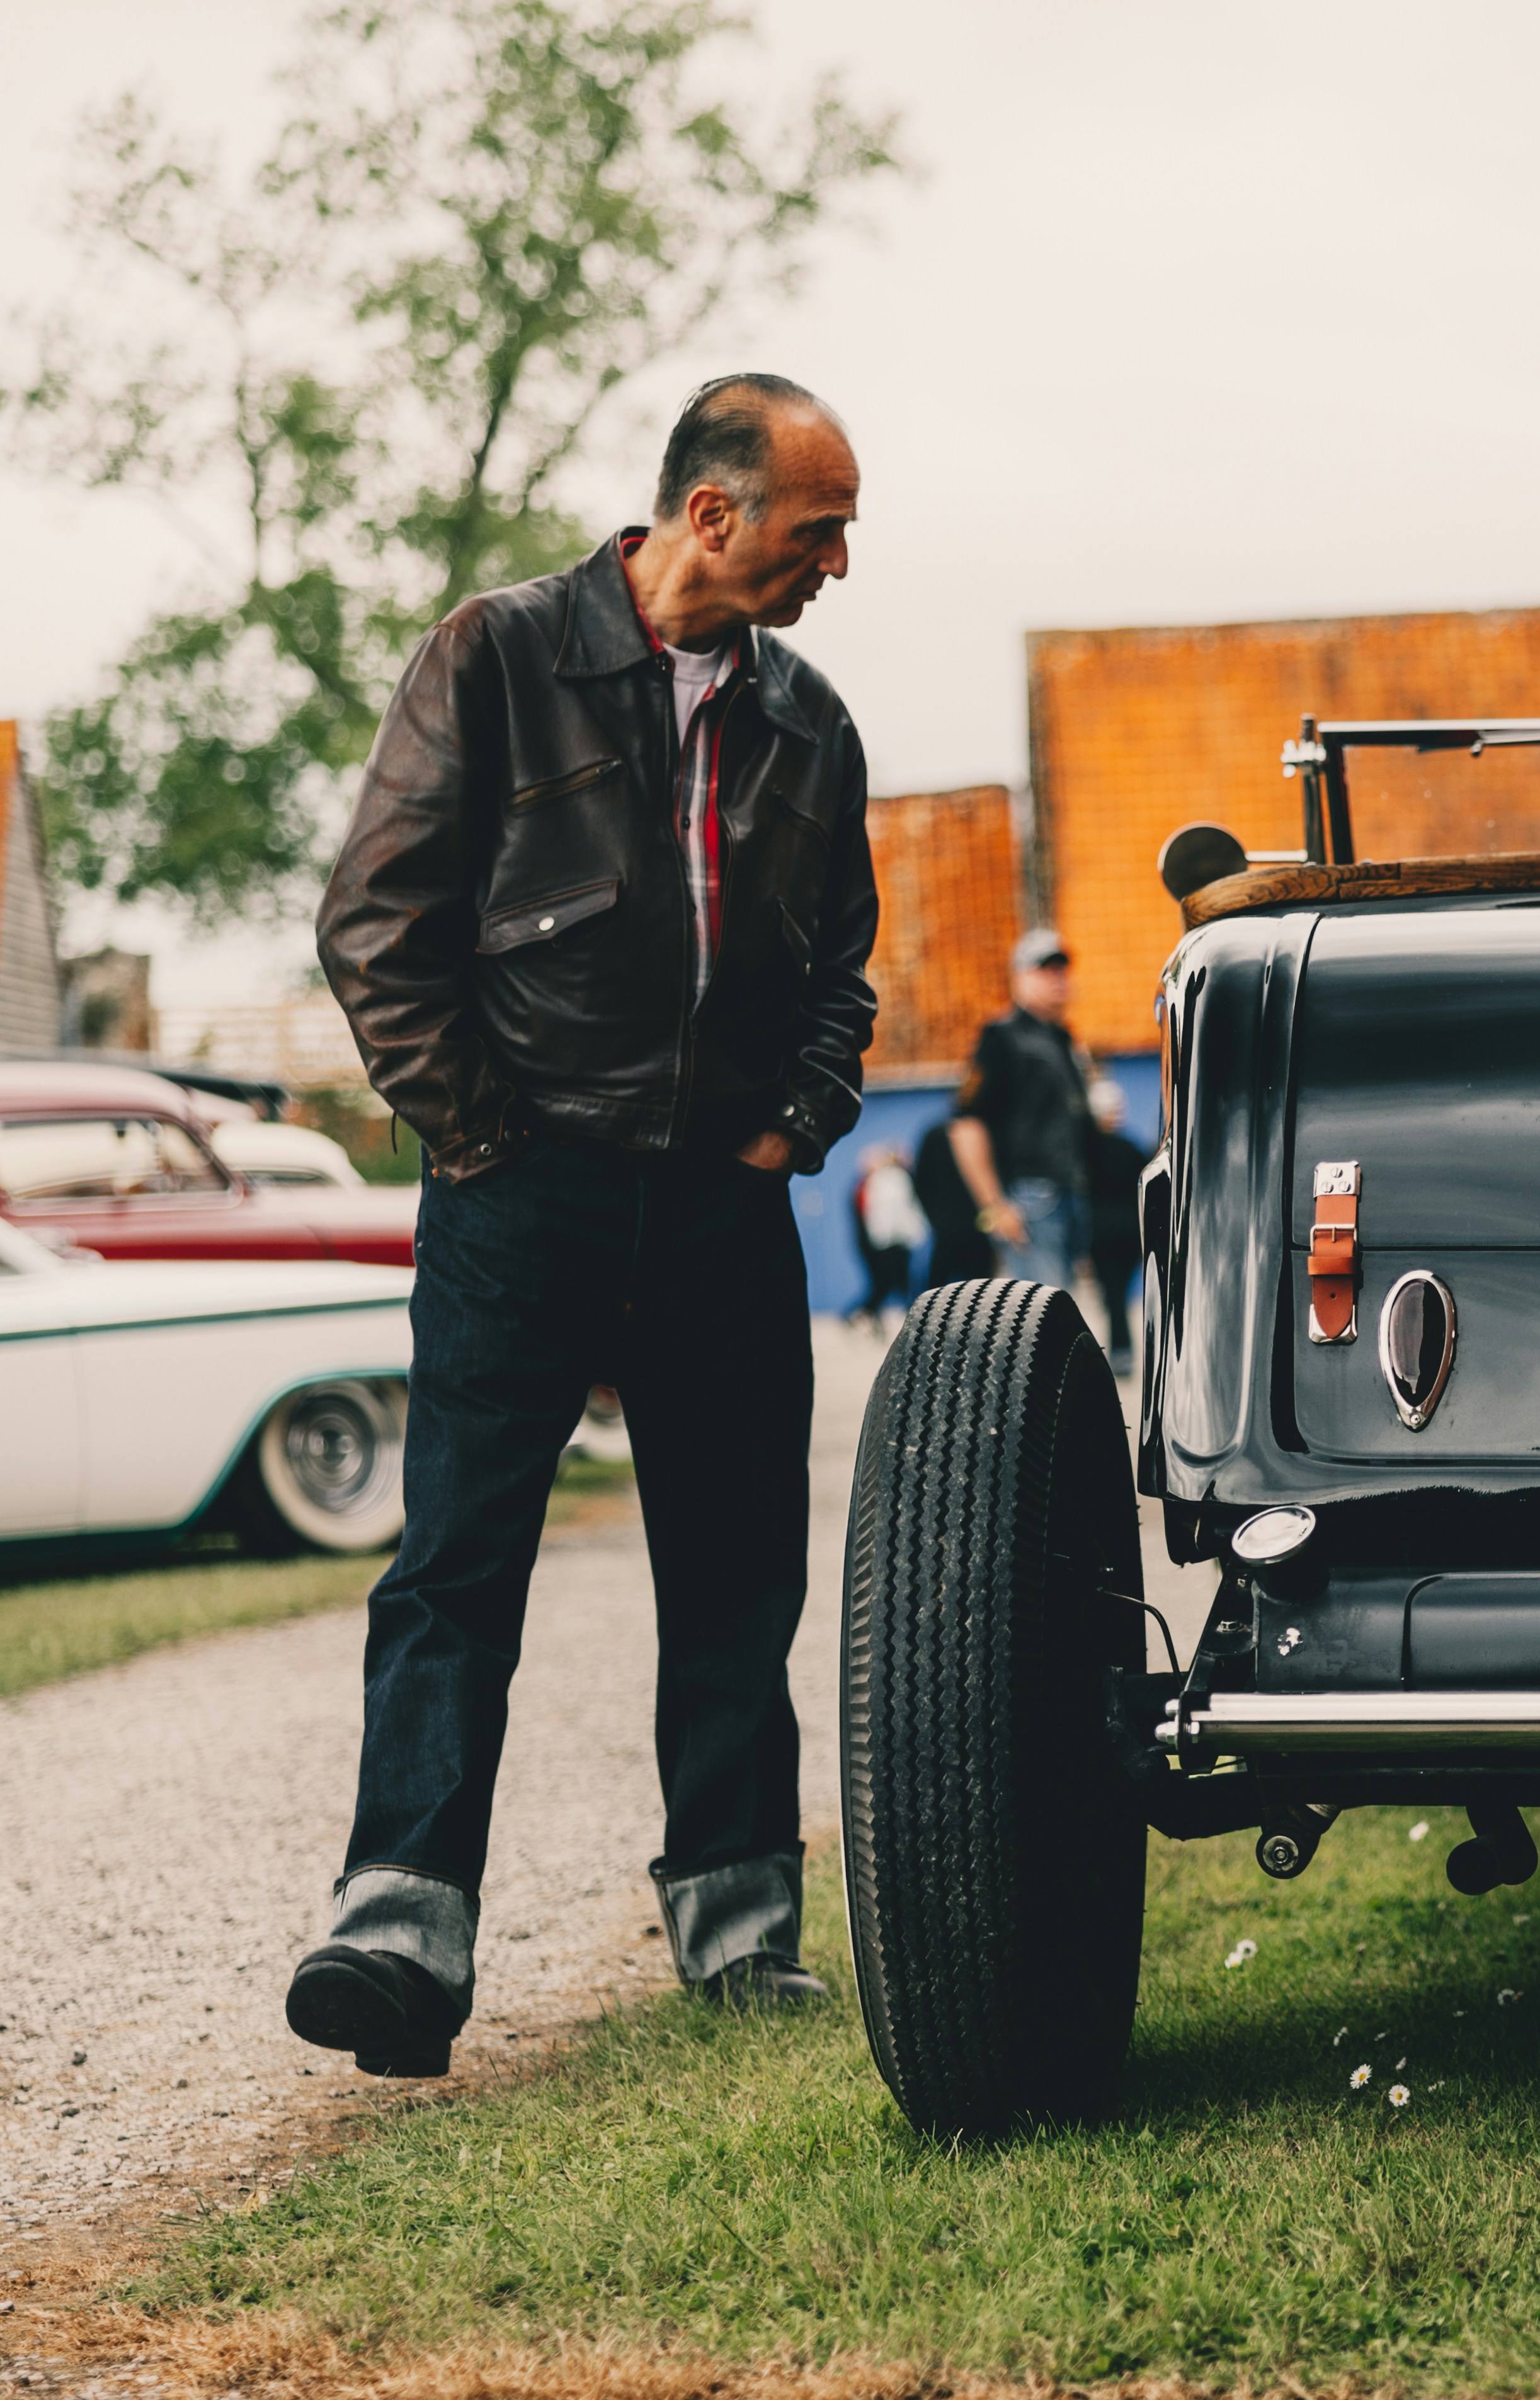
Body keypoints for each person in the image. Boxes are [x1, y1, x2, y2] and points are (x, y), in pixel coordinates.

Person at [297, 371, 875, 2075]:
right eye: (816, 527)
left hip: (718, 1201)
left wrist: (797, 1122)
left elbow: (841, 968)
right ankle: (401, 1918)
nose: (838, 561)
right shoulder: (495, 658)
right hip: (519, 1190)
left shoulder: (814, 723)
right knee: (457, 1567)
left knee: (734, 1573)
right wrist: (480, 1141)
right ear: (714, 514)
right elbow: (375, 924)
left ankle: (741, 1927)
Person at [950, 928, 1098, 1293]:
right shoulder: (1001, 1037)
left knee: (1060, 1314)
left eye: (1062, 970)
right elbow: (966, 1124)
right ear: (1019, 978)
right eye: (1044, 970)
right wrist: (994, 1207)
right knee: (1042, 1319)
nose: (1058, 979)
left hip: (1070, 1193)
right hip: (1030, 1199)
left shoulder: (1063, 1039)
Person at [1083, 1079, 1151, 1376]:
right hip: (1130, 1234)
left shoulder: (1085, 1153)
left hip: (1101, 1234)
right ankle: (1126, 1352)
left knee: (1112, 1296)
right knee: (1123, 1294)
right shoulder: (1131, 1149)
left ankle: (1121, 1353)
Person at [911, 1111, 993, 1289]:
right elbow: (921, 1182)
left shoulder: (935, 1134)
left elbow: (920, 1182)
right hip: (969, 1227)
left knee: (937, 1292)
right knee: (981, 1292)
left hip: (955, 1228)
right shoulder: (984, 1132)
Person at [848, 1141, 924, 1332]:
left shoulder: (888, 1181)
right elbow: (881, 1217)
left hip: (887, 1242)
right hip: (880, 1243)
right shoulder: (876, 1184)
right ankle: (861, 1314)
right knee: (885, 1284)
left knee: (899, 1283)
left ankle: (907, 1320)